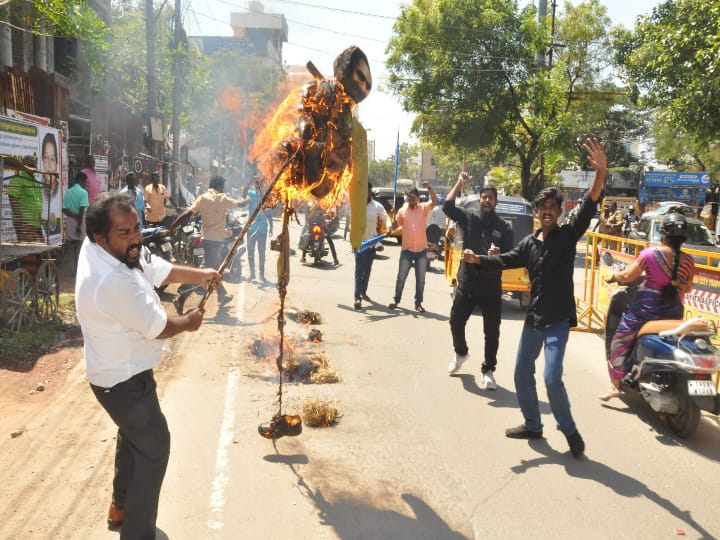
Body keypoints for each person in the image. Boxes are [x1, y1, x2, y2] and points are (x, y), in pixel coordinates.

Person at [74, 192, 219, 539]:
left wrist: (200, 275)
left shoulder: (115, 248)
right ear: (100, 237)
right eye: (125, 233)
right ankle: (137, 533)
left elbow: (159, 269)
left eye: (136, 228)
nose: (135, 237)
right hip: (121, 381)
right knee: (154, 447)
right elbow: (159, 327)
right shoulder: (110, 280)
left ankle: (120, 508)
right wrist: (190, 320)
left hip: (122, 371)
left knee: (134, 438)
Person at [469, 138, 608, 458]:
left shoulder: (568, 234)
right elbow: (504, 260)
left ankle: (569, 430)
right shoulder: (530, 243)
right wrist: (478, 259)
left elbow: (589, 202)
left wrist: (600, 172)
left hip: (557, 320)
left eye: (552, 208)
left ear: (559, 212)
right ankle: (533, 423)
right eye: (542, 208)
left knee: (551, 377)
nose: (547, 212)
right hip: (533, 320)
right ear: (537, 212)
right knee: (520, 373)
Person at [600, 212, 695, 401]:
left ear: (663, 235)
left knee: (619, 340)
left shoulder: (650, 254)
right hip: (674, 313)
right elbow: (688, 287)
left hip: (645, 311)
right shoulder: (689, 261)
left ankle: (615, 385)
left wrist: (613, 276)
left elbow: (628, 276)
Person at [443, 176, 513, 390]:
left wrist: (498, 253)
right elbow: (447, 205)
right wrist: (459, 183)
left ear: (496, 202)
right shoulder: (469, 218)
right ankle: (461, 353)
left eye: (491, 198)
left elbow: (510, 256)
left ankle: (488, 371)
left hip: (491, 286)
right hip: (468, 282)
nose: (487, 201)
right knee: (455, 321)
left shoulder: (504, 227)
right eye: (484, 198)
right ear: (479, 200)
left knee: (492, 332)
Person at [170, 175, 248, 311]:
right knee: (207, 273)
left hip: (205, 240)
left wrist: (174, 225)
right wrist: (248, 199)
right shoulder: (222, 198)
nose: (223, 189)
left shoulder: (203, 198)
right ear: (219, 187)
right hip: (216, 242)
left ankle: (222, 295)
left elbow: (188, 213)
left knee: (214, 270)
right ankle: (182, 296)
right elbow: (240, 204)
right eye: (222, 187)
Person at [389, 181, 438, 312]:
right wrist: (393, 217)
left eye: (413, 197)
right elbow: (395, 227)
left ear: (417, 198)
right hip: (407, 250)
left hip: (421, 250)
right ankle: (396, 300)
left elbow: (435, 202)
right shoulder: (402, 210)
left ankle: (418, 303)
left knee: (421, 280)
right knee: (401, 277)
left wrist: (430, 188)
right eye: (409, 196)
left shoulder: (423, 208)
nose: (411, 199)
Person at [354, 182, 390, 310]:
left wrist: (389, 226)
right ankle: (357, 297)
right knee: (359, 270)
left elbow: (386, 217)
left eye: (367, 190)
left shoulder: (376, 206)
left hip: (371, 243)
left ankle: (363, 291)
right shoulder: (357, 203)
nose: (365, 192)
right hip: (359, 242)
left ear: (370, 192)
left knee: (367, 269)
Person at [8, 155, 45, 243]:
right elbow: (12, 198)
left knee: (40, 249)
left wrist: (40, 219)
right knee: (30, 253)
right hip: (24, 223)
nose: (33, 168)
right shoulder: (18, 178)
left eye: (34, 165)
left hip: (36, 222)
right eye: (30, 165)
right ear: (23, 165)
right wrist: (21, 220)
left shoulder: (35, 181)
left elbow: (38, 201)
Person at [246, 176, 273, 281]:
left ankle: (261, 275)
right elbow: (244, 194)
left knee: (262, 253)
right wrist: (249, 182)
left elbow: (269, 215)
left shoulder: (267, 198)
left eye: (263, 185)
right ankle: (252, 274)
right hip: (251, 229)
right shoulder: (251, 195)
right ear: (257, 186)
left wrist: (271, 227)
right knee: (250, 252)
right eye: (259, 185)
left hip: (262, 231)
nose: (262, 187)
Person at [300, 200, 339, 265]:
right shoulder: (322, 205)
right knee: (329, 240)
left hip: (314, 225)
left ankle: (303, 256)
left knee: (306, 237)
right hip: (319, 225)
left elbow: (308, 216)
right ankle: (335, 259)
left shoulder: (315, 205)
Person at [62, 171, 89, 265]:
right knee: (80, 243)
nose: (85, 184)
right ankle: (79, 265)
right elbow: (82, 209)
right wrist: (78, 223)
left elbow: (64, 209)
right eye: (85, 182)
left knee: (72, 243)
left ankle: (73, 265)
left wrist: (73, 216)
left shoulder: (68, 192)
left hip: (70, 220)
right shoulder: (84, 192)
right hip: (80, 220)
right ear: (82, 180)